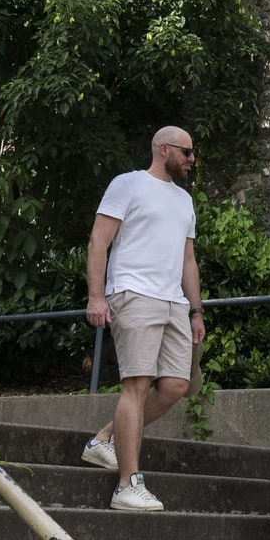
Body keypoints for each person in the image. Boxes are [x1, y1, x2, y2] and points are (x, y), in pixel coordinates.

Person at [81, 126, 205, 512]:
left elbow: (188, 260)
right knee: (135, 384)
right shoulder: (127, 185)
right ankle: (127, 486)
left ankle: (104, 439)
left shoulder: (184, 201)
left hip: (173, 303)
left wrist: (196, 309)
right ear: (163, 149)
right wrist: (97, 297)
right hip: (133, 294)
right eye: (186, 152)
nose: (191, 159)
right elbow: (98, 242)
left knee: (175, 386)